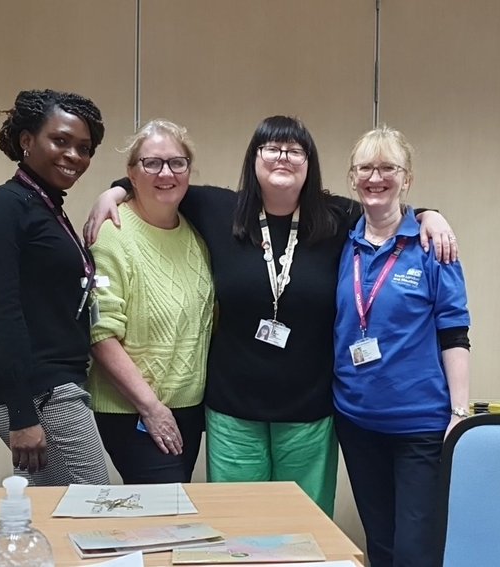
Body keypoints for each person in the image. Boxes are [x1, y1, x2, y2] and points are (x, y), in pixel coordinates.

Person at [86, 116, 458, 516]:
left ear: (309, 162)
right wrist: (115, 191)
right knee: (237, 527)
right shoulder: (219, 209)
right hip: (232, 411)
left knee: (303, 528)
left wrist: (427, 215)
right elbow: (160, 183)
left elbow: (385, 206)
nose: (283, 157)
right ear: (254, 158)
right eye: (272, 148)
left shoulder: (338, 218)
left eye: (295, 150)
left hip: (309, 412)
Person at [332, 126, 471, 566]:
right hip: (356, 421)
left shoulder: (434, 245)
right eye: (366, 168)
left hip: (420, 426)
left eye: (388, 167)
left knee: (415, 551)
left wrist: (460, 413)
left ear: (406, 178)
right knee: (382, 544)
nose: (377, 177)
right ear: (352, 178)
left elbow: (454, 331)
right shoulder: (341, 240)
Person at [0, 89, 110, 486]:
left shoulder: (45, 206)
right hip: (37, 391)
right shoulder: (3, 208)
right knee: (91, 501)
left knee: (52, 506)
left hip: (53, 385)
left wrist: (116, 190)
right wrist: (22, 414)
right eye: (60, 141)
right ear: (26, 141)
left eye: (84, 148)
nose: (74, 156)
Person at [87, 119, 214, 484]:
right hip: (135, 409)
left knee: (169, 515)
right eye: (152, 163)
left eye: (177, 162)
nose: (166, 173)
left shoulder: (195, 234)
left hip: (189, 407)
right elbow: (100, 334)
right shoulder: (112, 234)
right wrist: (151, 407)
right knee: (164, 514)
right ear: (131, 173)